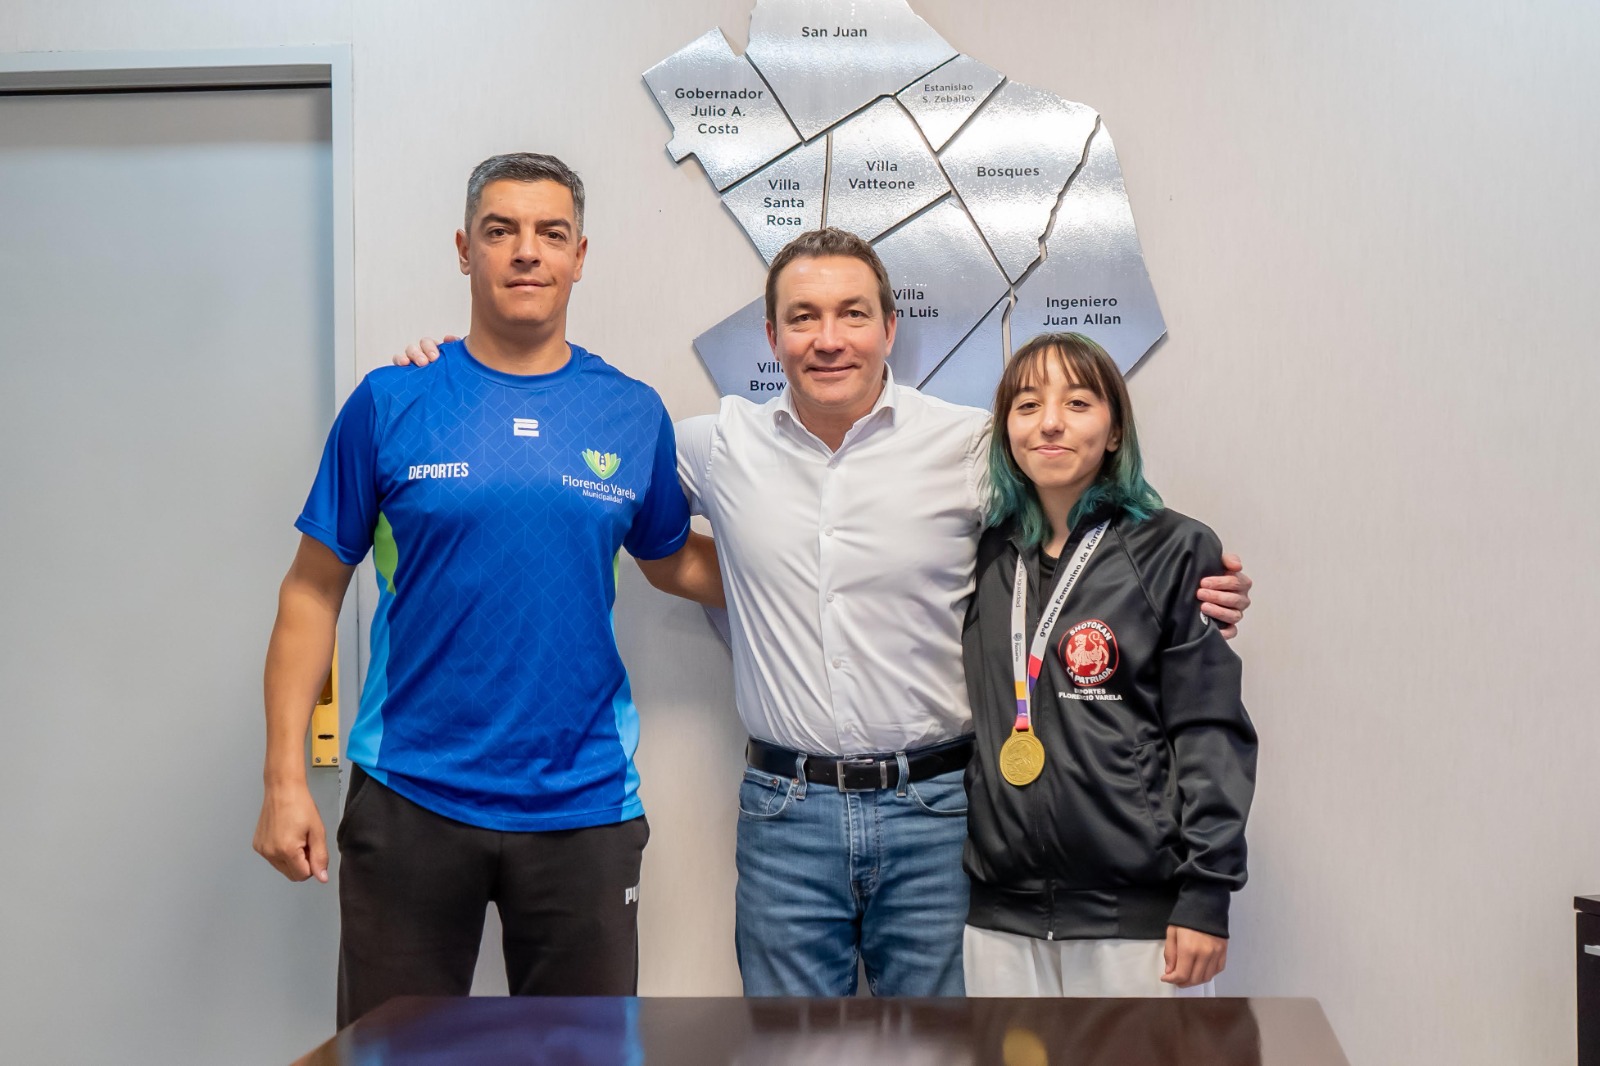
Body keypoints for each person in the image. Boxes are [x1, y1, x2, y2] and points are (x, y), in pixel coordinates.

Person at [396, 227, 1253, 997]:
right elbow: (573, 455)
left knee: (942, 1055)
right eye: (802, 317)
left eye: (852, 314)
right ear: (772, 337)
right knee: (788, 1052)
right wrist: (452, 379)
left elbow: (1081, 514)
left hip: (941, 812)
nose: (829, 338)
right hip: (786, 815)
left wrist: (1194, 579)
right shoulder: (718, 444)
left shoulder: (967, 446)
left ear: (890, 328)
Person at [252, 152, 722, 1026]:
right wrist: (285, 778)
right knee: (394, 1052)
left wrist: (818, 577)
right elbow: (311, 593)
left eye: (551, 233)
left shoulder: (630, 412)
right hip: (411, 794)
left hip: (584, 804)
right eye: (501, 231)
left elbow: (672, 561)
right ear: (466, 250)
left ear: (580, 256)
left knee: (581, 1056)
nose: (526, 251)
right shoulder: (392, 401)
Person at [961, 332, 1256, 996]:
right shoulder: (980, 554)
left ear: (1115, 429)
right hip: (1000, 920)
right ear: (1007, 430)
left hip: (1139, 922)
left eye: (1078, 402)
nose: (1050, 423)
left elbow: (1210, 731)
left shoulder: (1176, 550)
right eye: (1027, 405)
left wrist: (1206, 893)